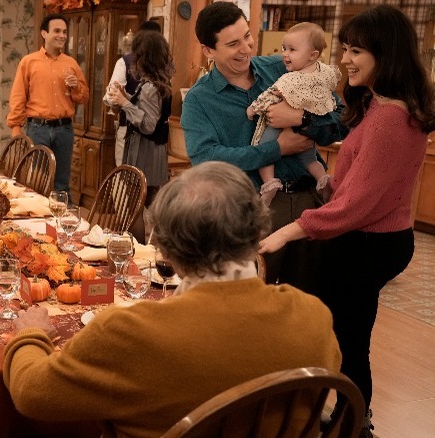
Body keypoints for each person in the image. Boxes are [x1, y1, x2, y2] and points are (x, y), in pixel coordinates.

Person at [3, 161, 341, 438]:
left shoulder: (128, 333)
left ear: (165, 250)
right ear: (257, 232)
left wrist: (29, 335)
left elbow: (32, 395)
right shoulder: (312, 315)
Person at [259, 6, 435, 436]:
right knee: (343, 336)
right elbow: (370, 182)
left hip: (366, 241)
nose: (345, 60)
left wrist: (285, 231)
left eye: (356, 50)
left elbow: (357, 205)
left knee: (344, 339)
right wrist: (335, 181)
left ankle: (353, 422)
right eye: (345, 49)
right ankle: (347, 417)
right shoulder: (385, 106)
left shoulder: (391, 118)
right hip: (373, 238)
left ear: (385, 53)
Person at [182, 2, 346, 293]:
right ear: (208, 50)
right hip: (255, 211)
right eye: (233, 43)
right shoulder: (199, 100)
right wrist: (276, 149)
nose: (246, 48)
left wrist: (303, 119)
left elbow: (340, 117)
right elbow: (207, 160)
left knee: (310, 302)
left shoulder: (282, 67)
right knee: (250, 304)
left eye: (247, 36)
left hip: (310, 201)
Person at [247, 22, 340, 207]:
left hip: (282, 123)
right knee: (309, 157)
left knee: (263, 147)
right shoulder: (324, 72)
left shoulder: (291, 78)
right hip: (310, 125)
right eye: (284, 48)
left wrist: (253, 109)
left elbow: (270, 95)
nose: (285, 54)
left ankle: (269, 183)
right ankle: (322, 179)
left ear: (312, 55)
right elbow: (332, 89)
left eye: (292, 50)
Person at [7, 13, 89, 197]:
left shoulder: (71, 63)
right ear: (44, 33)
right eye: (57, 31)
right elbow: (18, 96)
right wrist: (16, 127)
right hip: (38, 129)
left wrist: (76, 86)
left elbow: (83, 98)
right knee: (37, 181)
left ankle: (62, 223)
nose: (62, 35)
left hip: (64, 129)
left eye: (65, 32)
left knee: (62, 183)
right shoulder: (28, 62)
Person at [106, 30, 174, 243]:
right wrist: (128, 99)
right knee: (153, 205)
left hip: (143, 154)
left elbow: (148, 125)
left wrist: (125, 103)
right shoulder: (159, 84)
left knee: (134, 208)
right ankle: (159, 250)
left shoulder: (150, 87)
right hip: (153, 152)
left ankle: (137, 251)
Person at [103, 20, 162, 166]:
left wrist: (121, 99)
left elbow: (110, 98)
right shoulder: (165, 65)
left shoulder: (126, 61)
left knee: (127, 179)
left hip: (131, 131)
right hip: (159, 136)